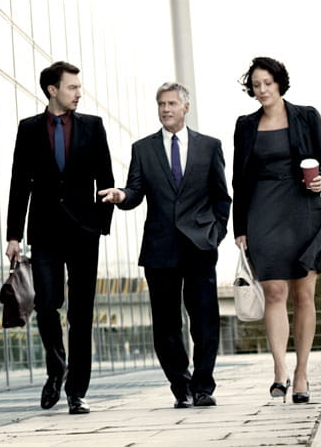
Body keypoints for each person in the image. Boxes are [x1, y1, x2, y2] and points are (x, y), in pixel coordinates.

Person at [100, 83, 230, 408]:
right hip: (160, 248)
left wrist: (215, 234)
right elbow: (135, 191)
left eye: (172, 103)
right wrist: (121, 196)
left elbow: (221, 197)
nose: (166, 109)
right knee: (166, 325)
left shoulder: (209, 146)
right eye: (161, 104)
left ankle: (203, 387)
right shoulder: (142, 149)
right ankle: (180, 386)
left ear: (185, 107)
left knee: (204, 321)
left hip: (200, 246)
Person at [5, 61, 114, 414]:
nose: (79, 93)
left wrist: (101, 223)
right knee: (46, 306)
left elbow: (107, 178)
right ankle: (57, 369)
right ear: (53, 90)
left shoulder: (93, 127)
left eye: (79, 88)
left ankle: (76, 391)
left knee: (81, 313)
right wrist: (13, 235)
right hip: (45, 230)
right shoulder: (29, 129)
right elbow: (19, 182)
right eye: (72, 87)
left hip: (84, 231)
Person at [231, 56, 321, 404]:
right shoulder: (245, 125)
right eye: (256, 85)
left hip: (303, 208)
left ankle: (302, 373)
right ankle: (279, 371)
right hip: (262, 210)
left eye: (267, 83)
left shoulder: (307, 116)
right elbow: (238, 180)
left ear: (279, 83)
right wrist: (239, 226)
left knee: (304, 294)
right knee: (274, 291)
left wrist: (320, 181)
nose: (261, 90)